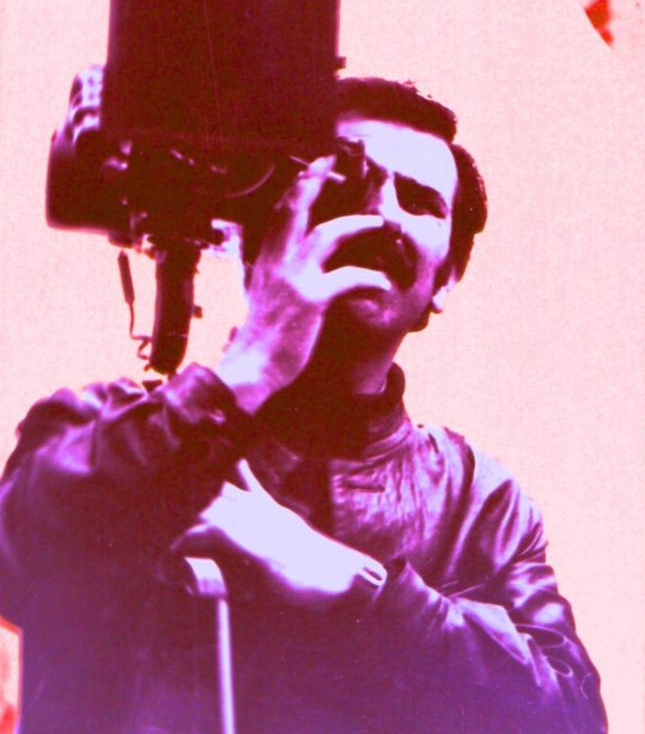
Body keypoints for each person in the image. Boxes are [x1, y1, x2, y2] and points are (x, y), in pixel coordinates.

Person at [0, 73, 607, 734]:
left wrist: (361, 587)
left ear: (447, 277)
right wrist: (252, 366)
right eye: (345, 184)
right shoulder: (102, 426)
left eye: (419, 201)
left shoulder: (478, 502)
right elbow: (14, 563)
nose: (383, 215)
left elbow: (571, 719)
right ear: (263, 231)